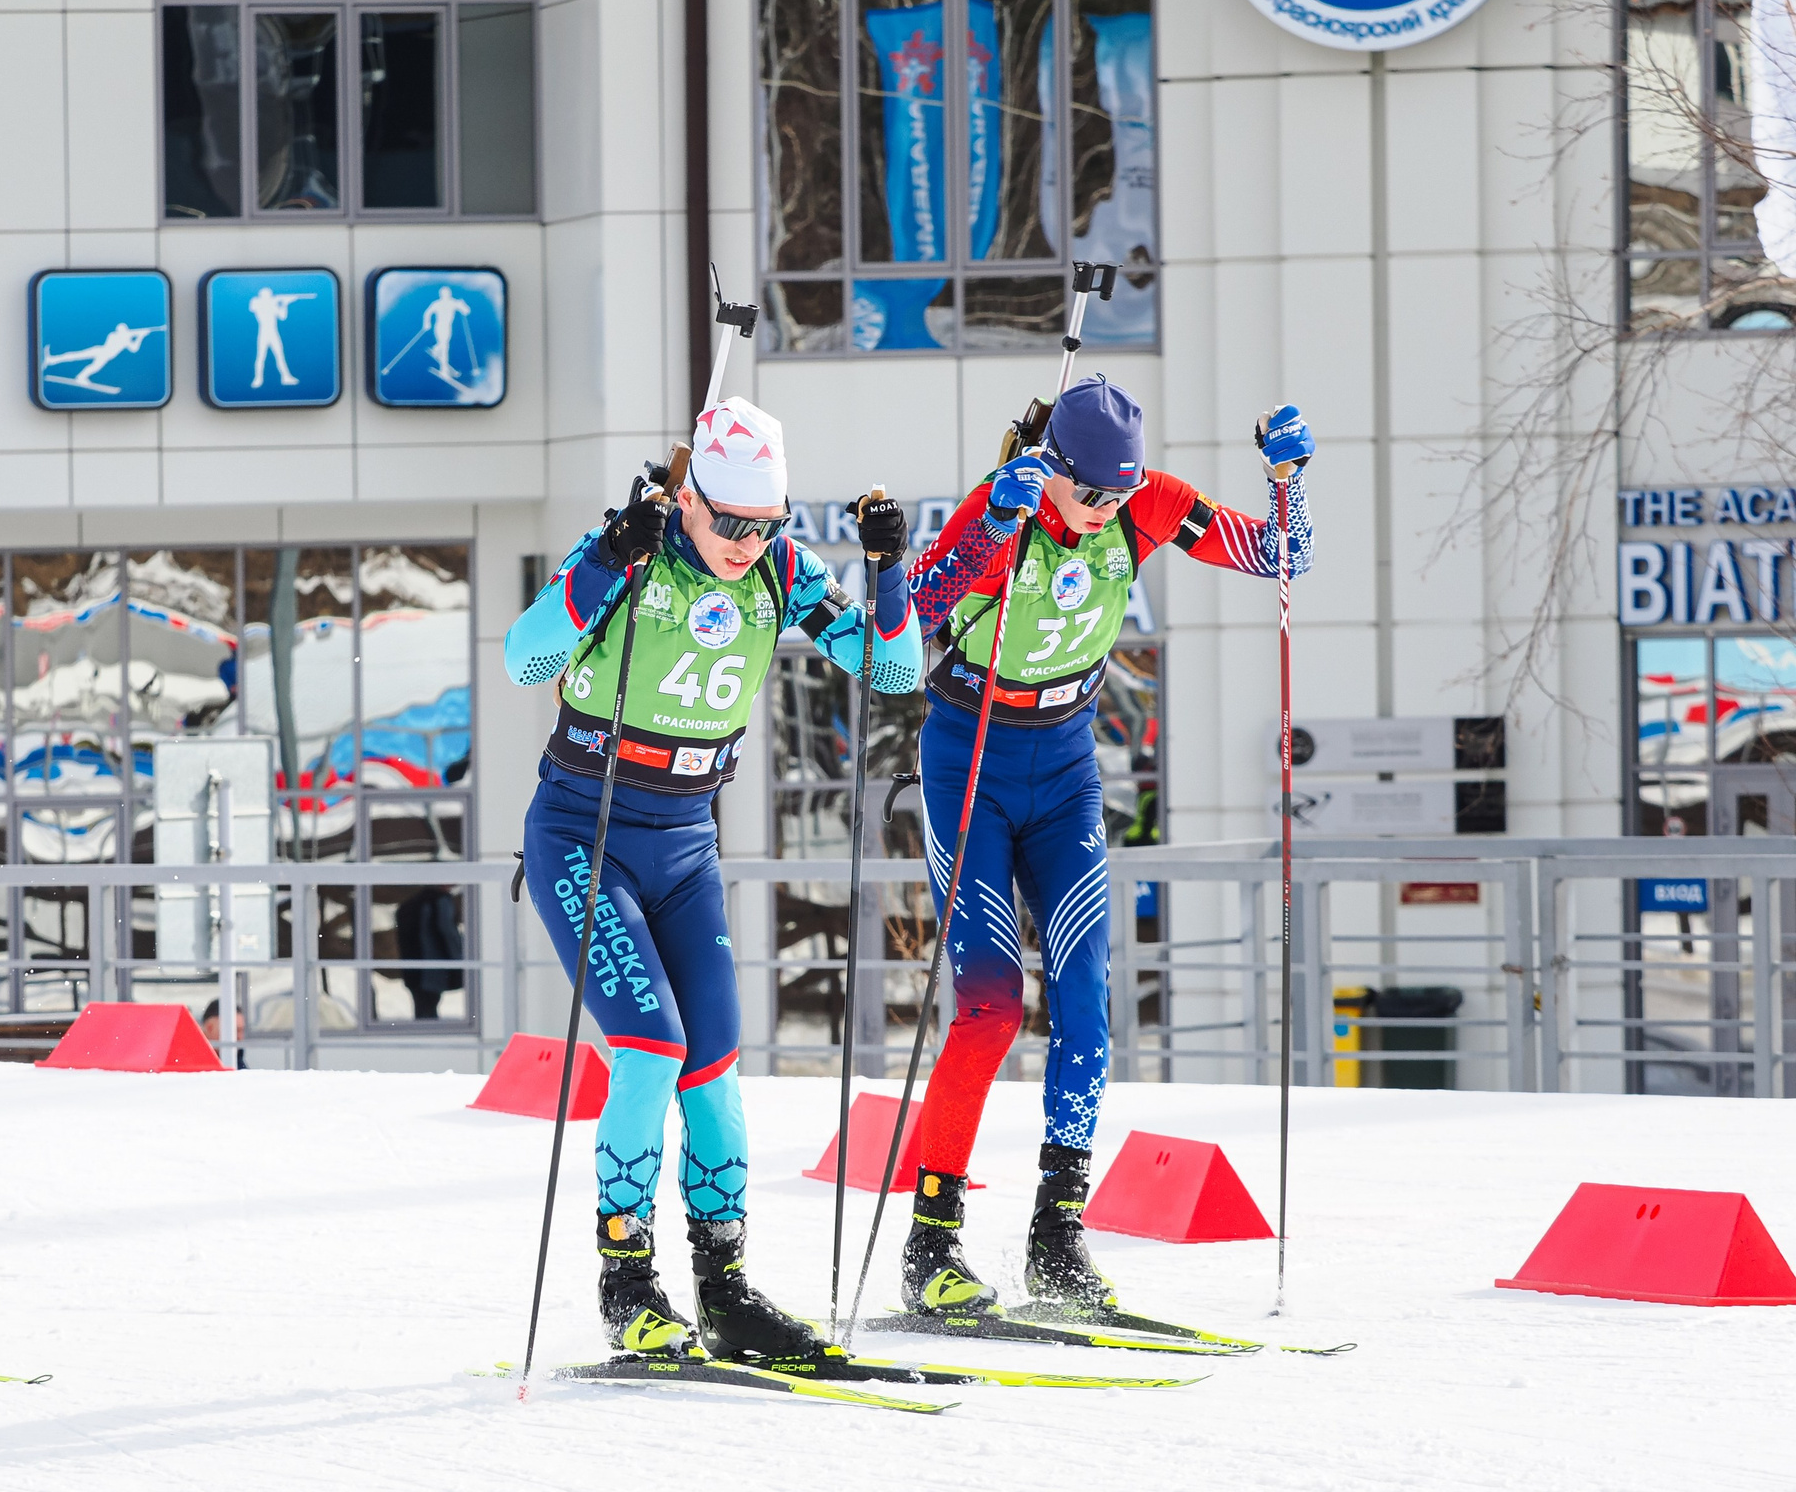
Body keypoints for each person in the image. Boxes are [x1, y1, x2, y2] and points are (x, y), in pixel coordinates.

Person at [506, 397, 920, 1358]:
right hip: (586, 830)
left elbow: (892, 672)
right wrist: (610, 556)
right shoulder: (632, 545)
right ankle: (627, 1283)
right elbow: (529, 658)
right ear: (688, 496)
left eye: (762, 522)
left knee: (716, 1071)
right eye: (728, 520)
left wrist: (889, 569)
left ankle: (724, 1286)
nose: (743, 541)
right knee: (648, 1047)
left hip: (687, 839)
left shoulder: (779, 565)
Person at [895, 377, 1316, 1316]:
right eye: (1086, 496)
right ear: (1053, 470)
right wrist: (989, 530)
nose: (1099, 517)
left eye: (1116, 500)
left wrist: (1287, 477)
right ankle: (932, 1240)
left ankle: (1058, 1230)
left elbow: (1287, 555)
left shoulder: (1150, 506)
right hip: (971, 756)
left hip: (1068, 761)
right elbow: (915, 610)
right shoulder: (1010, 498)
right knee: (992, 1003)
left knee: (1086, 998)